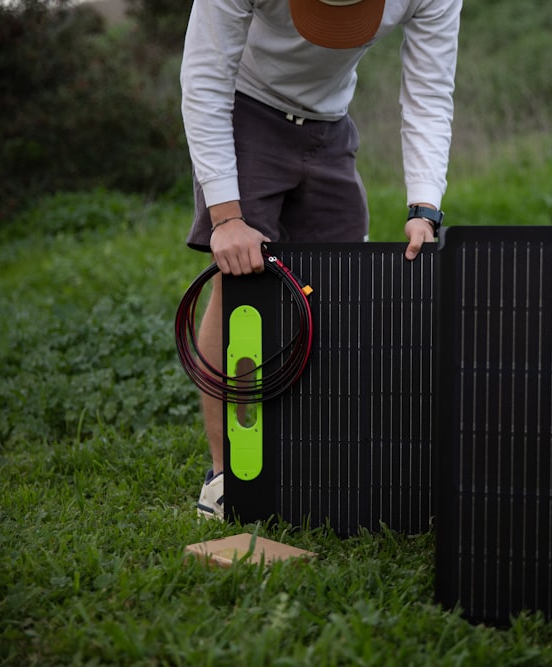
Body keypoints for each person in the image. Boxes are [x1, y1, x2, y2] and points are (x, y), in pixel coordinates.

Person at [180, 0, 461, 520]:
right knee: (238, 282)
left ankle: (315, 459)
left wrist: (424, 206)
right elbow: (205, 78)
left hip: (330, 125)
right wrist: (226, 217)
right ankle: (224, 476)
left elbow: (429, 90)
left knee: (336, 285)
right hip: (248, 107)